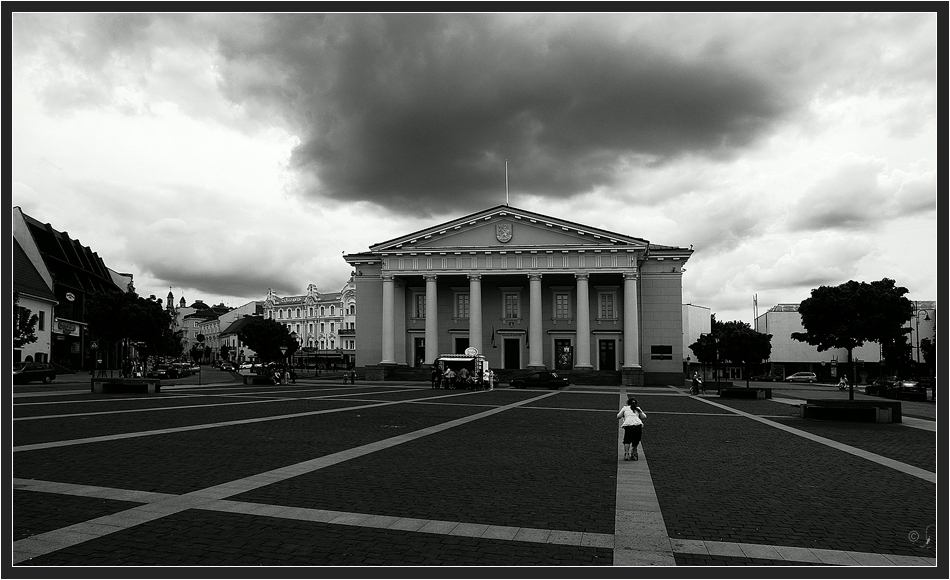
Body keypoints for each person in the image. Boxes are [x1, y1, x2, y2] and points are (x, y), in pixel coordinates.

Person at [617, 397, 647, 461]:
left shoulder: (625, 408)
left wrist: (625, 415)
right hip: (638, 424)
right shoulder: (637, 409)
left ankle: (626, 454)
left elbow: (618, 416)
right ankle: (634, 454)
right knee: (636, 440)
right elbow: (644, 416)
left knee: (627, 440)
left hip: (629, 425)